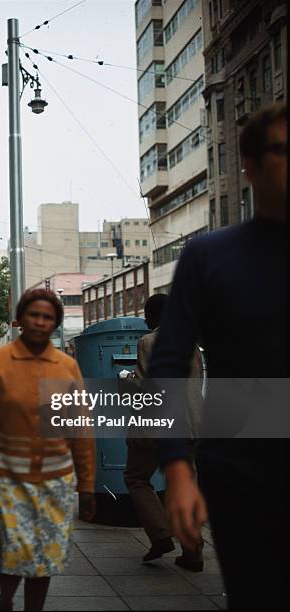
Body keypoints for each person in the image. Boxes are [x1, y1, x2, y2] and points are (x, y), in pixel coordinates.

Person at [149, 102, 288, 609]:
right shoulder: (209, 256)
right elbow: (168, 363)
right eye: (280, 150)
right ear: (248, 167)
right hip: (241, 466)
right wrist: (179, 471)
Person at [0, 288, 97, 612]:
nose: (40, 322)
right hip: (10, 480)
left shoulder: (65, 367)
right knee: (13, 553)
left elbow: (80, 430)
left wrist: (87, 486)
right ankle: (6, 598)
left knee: (45, 557)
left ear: (55, 323)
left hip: (56, 483)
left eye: (48, 317)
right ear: (20, 319)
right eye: (34, 315)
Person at [123, 293, 204, 570]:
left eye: (147, 314)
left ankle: (160, 536)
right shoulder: (191, 344)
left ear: (156, 316)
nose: (145, 319)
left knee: (136, 477)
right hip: (191, 423)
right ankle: (193, 553)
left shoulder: (148, 341)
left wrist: (127, 381)